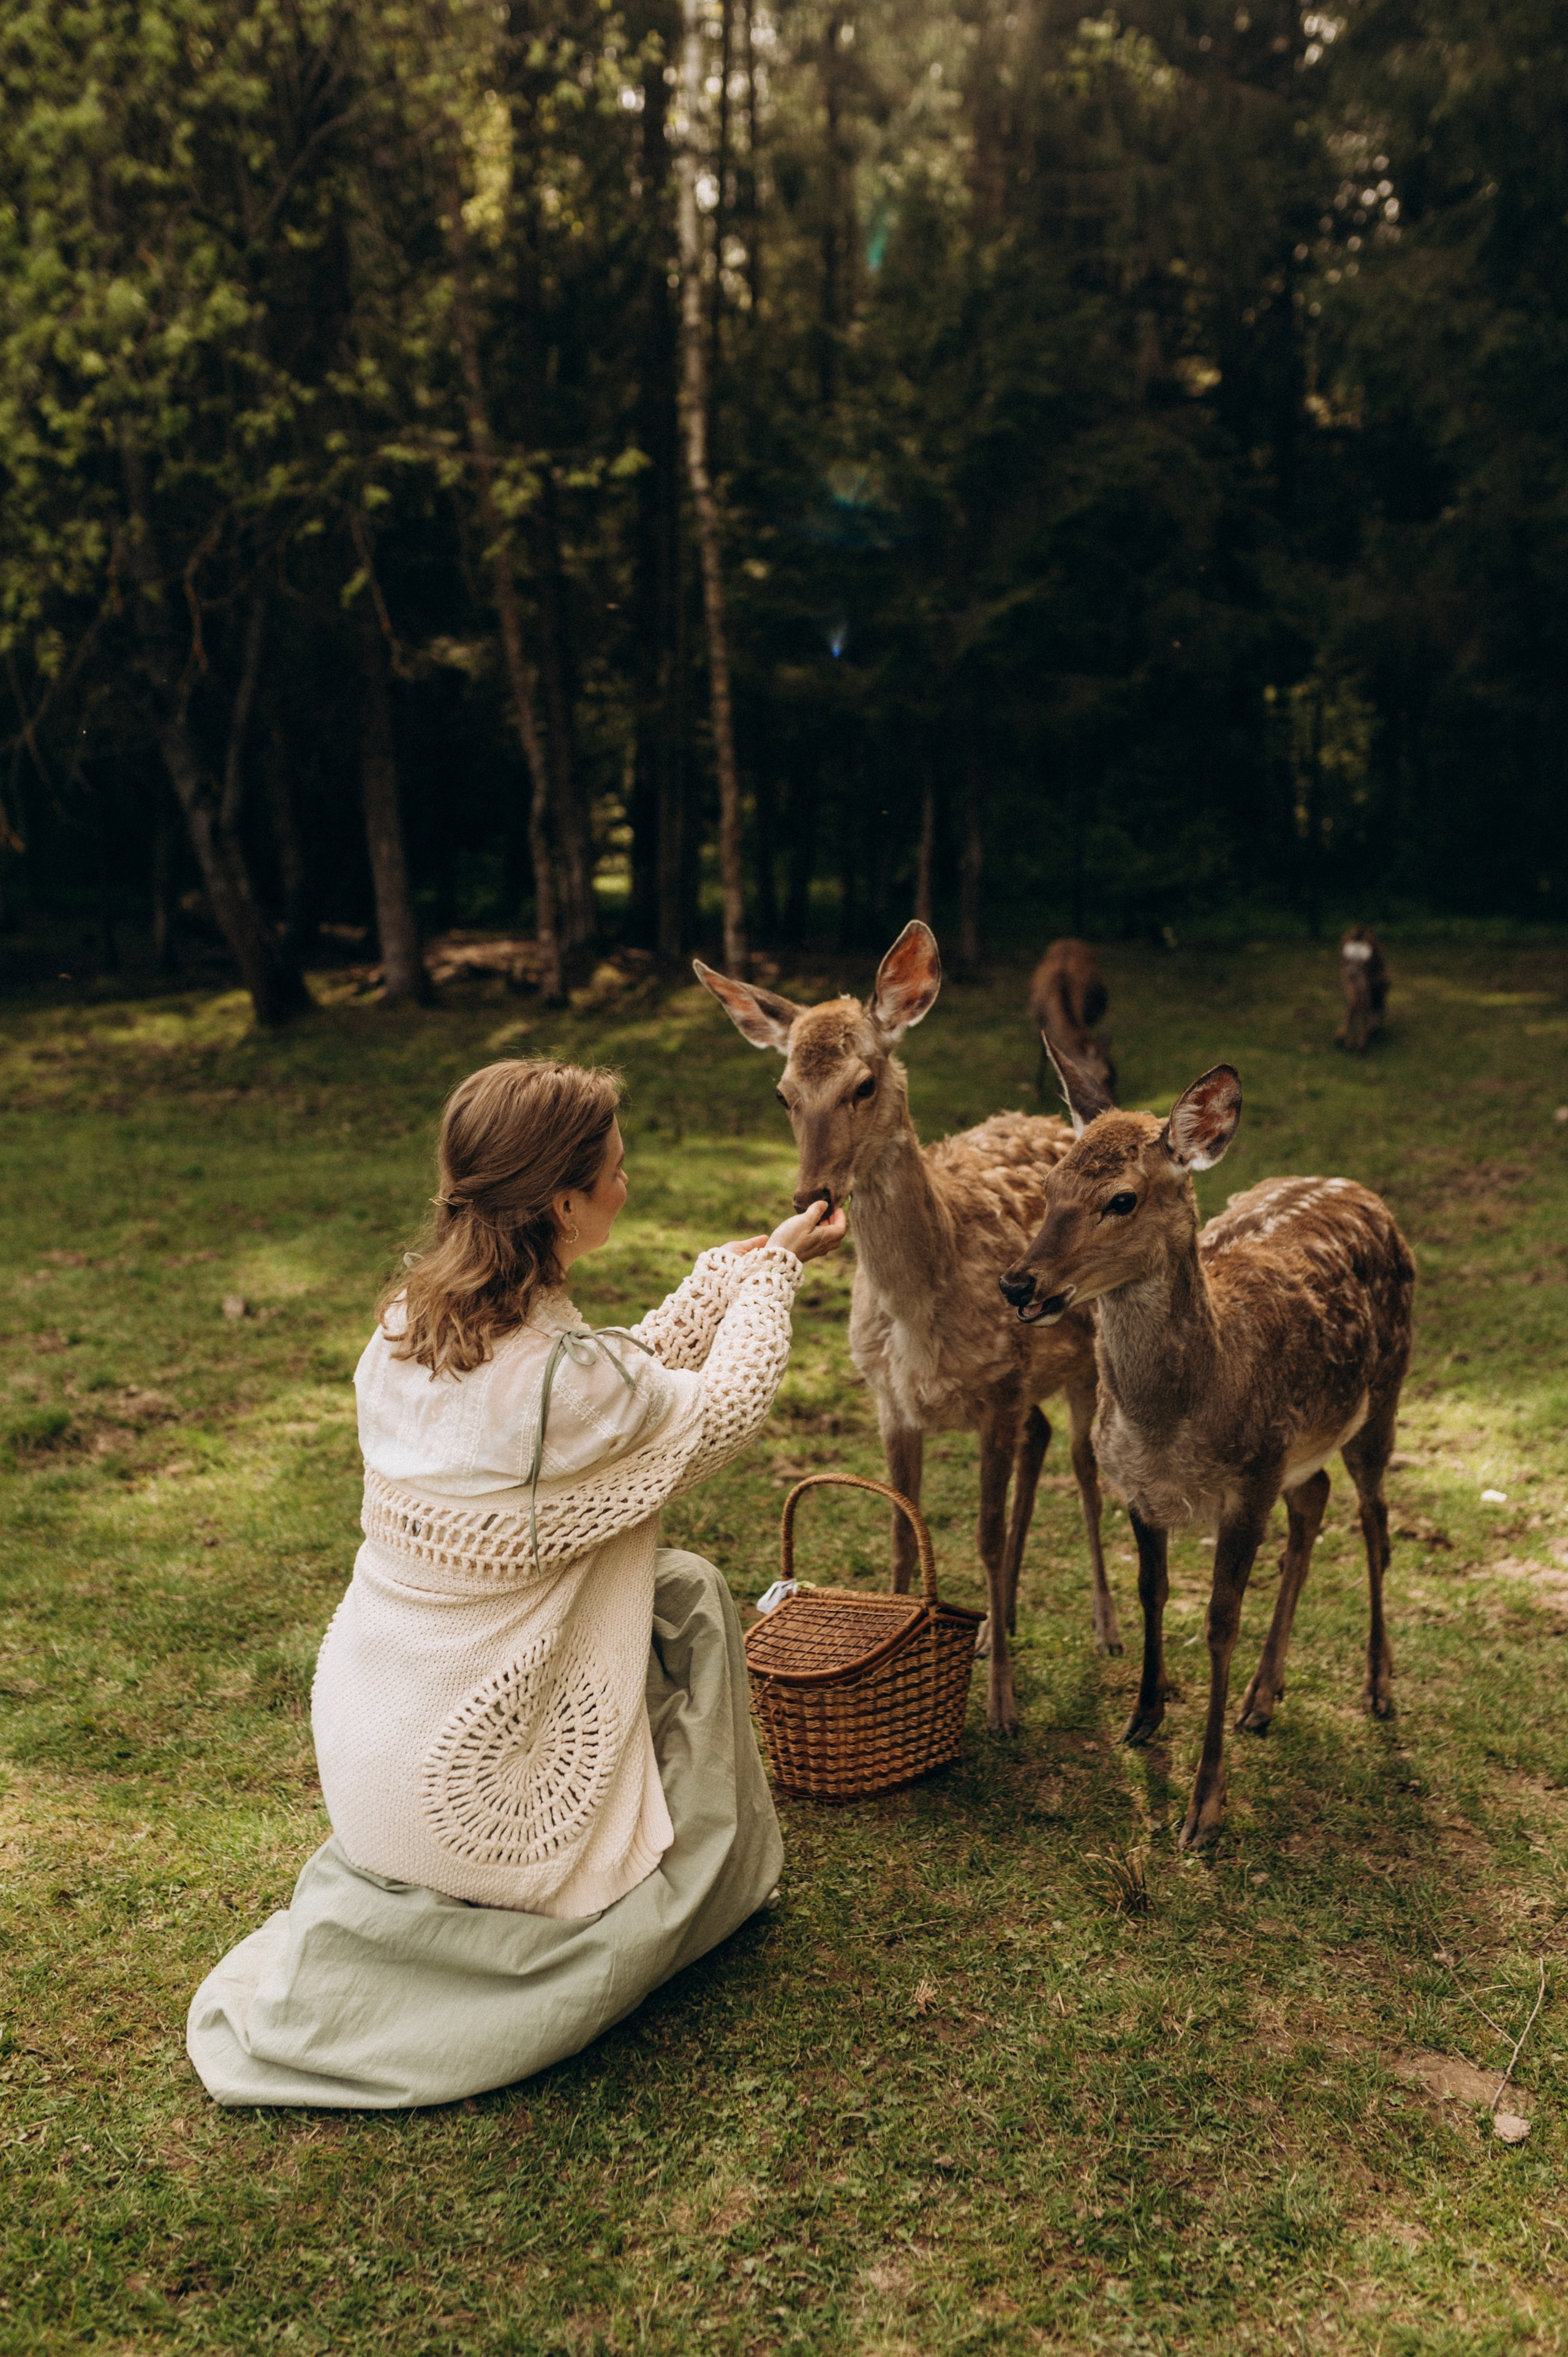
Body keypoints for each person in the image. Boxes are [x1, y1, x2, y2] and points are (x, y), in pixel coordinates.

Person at [187, 1057, 845, 2108]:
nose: (628, 1182)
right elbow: (712, 1409)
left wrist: (730, 1275)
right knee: (691, 1595)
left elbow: (621, 1381)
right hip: (474, 1799)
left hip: (366, 1759)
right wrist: (774, 1279)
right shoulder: (569, 1382)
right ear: (563, 1205)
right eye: (616, 1169)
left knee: (670, 1582)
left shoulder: (404, 1326)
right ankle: (698, 1870)